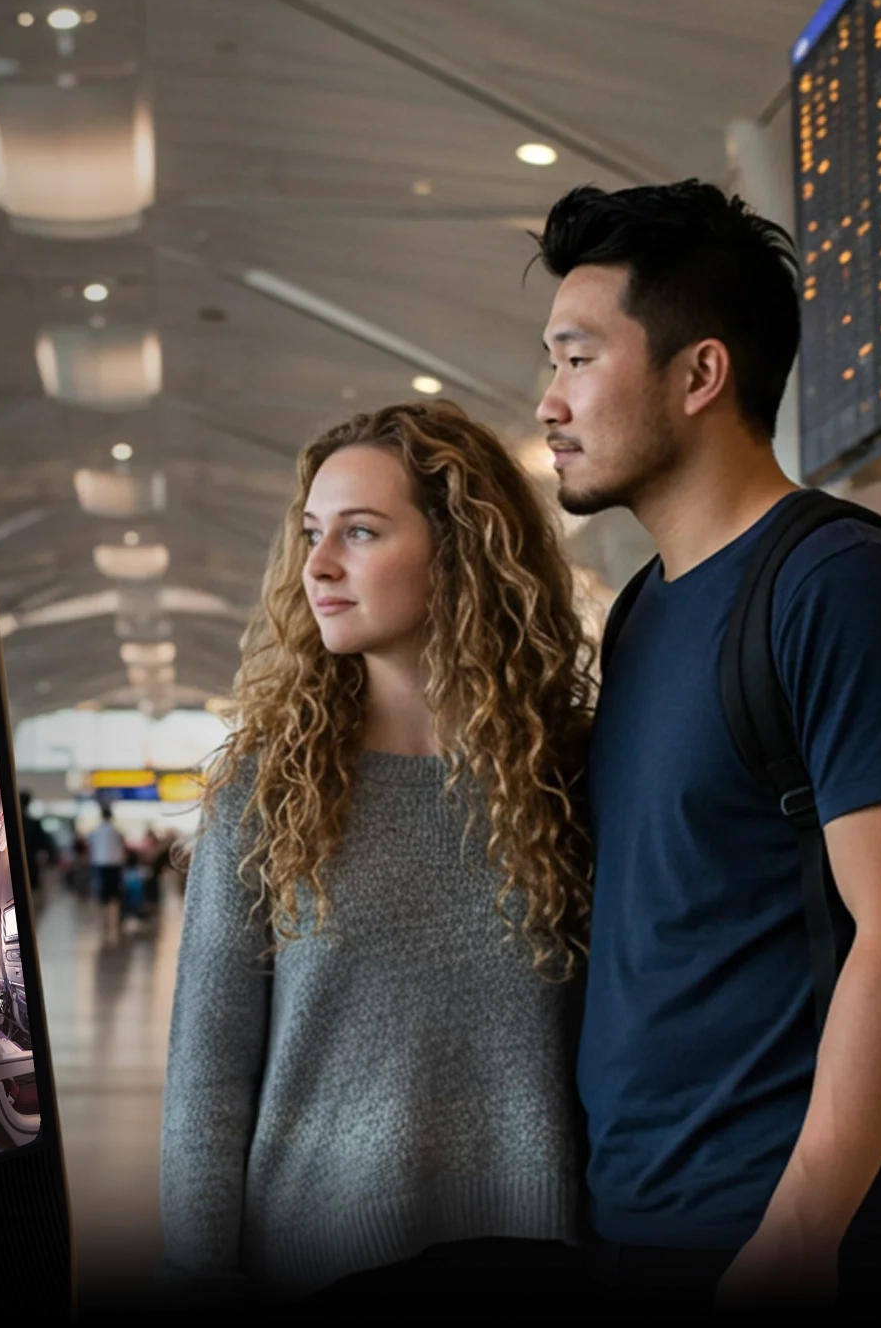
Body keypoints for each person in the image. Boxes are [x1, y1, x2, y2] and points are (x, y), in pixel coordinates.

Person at [536, 182, 881, 1307]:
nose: (549, 400)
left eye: (578, 358)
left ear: (699, 374)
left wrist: (798, 1230)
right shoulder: (643, 608)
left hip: (793, 1233)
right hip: (639, 1211)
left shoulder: (837, 587)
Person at [160, 402, 595, 1302]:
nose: (317, 565)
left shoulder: (572, 776)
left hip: (538, 1256)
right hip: (321, 1264)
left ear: (460, 548)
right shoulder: (265, 792)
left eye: (360, 533)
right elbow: (208, 1077)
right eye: (314, 533)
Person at [86, 804, 127, 942]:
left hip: (99, 864)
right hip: (115, 865)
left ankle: (104, 920)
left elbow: (90, 849)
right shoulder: (117, 832)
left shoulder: (95, 832)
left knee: (102, 893)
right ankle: (113, 920)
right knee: (114, 894)